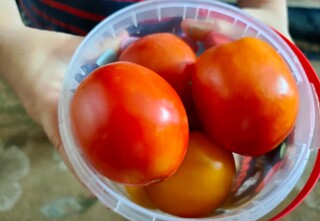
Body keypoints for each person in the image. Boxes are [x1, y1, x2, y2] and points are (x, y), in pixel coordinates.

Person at [0, 0, 291, 171]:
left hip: (194, 32)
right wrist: (8, 37)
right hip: (59, 30)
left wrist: (267, 9)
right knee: (78, 103)